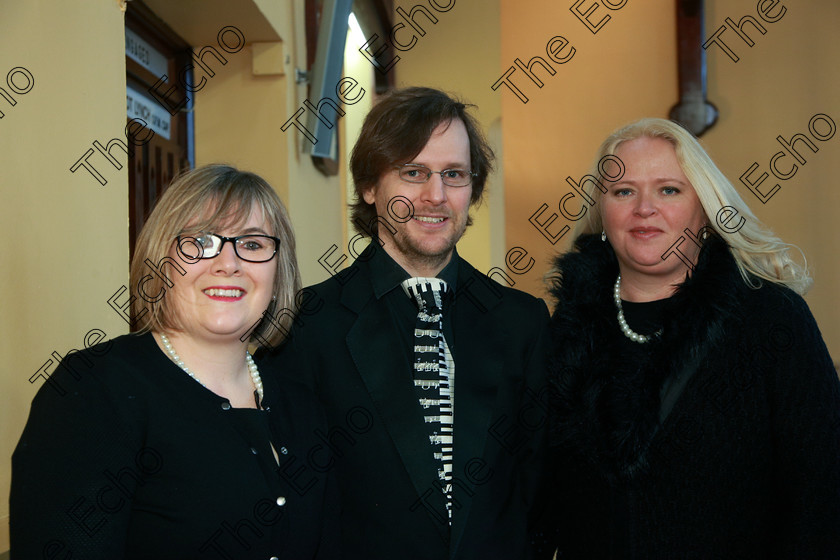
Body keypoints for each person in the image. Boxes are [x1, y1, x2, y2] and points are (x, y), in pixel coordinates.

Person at [261, 87, 550, 559]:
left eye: (453, 174)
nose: (434, 196)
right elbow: (295, 499)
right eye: (413, 172)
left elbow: (539, 490)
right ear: (371, 187)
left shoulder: (524, 322)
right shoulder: (304, 325)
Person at [543, 118, 840, 557]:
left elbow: (823, 496)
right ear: (601, 212)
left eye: (669, 189)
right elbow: (540, 500)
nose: (645, 208)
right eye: (623, 191)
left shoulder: (772, 320)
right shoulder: (564, 331)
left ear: (704, 209)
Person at [11, 165, 338, 559]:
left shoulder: (302, 405)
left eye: (252, 244)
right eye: (200, 241)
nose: (228, 263)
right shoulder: (93, 389)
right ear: (161, 261)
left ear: (277, 271)